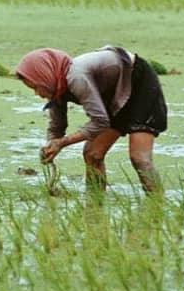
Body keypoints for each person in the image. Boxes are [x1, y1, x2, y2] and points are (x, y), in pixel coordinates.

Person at [15, 45, 167, 193]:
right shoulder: (57, 86)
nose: (37, 93)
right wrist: (51, 145)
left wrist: (63, 143)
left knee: (139, 158)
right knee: (92, 153)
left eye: (36, 87)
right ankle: (95, 205)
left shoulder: (76, 77)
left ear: (45, 75)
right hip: (114, 97)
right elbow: (57, 126)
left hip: (139, 84)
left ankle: (157, 203)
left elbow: (100, 121)